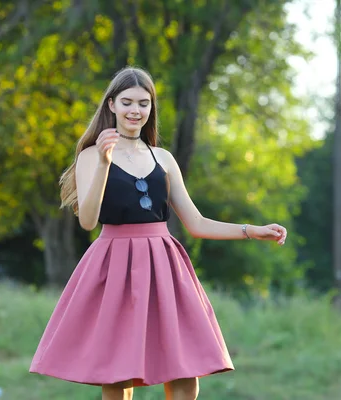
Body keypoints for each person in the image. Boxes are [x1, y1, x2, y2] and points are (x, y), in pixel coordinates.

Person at [29, 66, 287, 400]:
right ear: (111, 105)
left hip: (164, 265)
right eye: (127, 102)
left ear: (151, 108)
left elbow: (196, 223)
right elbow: (88, 221)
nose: (135, 110)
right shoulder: (92, 156)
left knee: (183, 370)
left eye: (143, 103)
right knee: (119, 372)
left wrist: (253, 231)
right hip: (115, 265)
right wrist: (106, 163)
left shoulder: (163, 158)